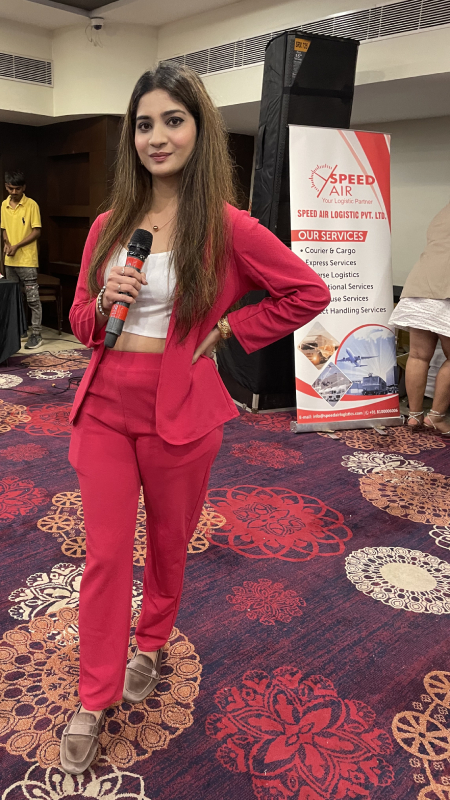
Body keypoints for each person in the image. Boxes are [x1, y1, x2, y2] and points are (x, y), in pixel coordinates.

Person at [61, 62, 330, 775]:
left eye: (172, 121)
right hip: (105, 406)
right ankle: (94, 696)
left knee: (169, 545)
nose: (156, 137)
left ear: (199, 129)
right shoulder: (107, 226)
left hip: (180, 406)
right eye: (144, 124)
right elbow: (81, 320)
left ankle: (151, 642)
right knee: (106, 555)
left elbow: (307, 292)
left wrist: (234, 330)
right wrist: (103, 299)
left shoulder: (229, 227)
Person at [389, 200, 450, 435]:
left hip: (420, 284)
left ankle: (414, 416)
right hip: (445, 290)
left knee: (418, 355)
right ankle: (436, 417)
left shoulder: (443, 211)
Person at [1, 170, 43, 350]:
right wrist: (7, 243)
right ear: (6, 187)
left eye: (17, 189)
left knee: (32, 299)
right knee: (14, 298)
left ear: (23, 188)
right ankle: (20, 330)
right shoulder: (4, 205)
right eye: (10, 188)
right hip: (10, 260)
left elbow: (36, 231)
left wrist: (17, 245)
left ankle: (37, 334)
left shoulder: (31, 205)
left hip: (27, 260)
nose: (14, 192)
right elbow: (4, 229)